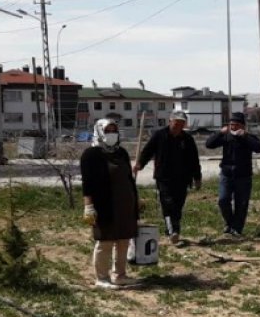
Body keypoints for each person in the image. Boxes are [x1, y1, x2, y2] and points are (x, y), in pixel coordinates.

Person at [80, 118, 141, 290]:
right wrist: (88, 206)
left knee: (123, 240)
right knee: (105, 241)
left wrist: (136, 200)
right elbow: (88, 183)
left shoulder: (121, 152)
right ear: (99, 132)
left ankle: (120, 275)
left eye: (114, 130)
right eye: (107, 131)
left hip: (125, 204)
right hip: (105, 205)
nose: (111, 134)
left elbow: (129, 178)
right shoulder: (91, 155)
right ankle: (102, 277)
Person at [134, 110, 202, 247]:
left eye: (182, 124)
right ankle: (173, 232)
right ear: (170, 121)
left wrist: (197, 177)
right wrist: (140, 164)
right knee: (167, 203)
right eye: (177, 123)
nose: (179, 126)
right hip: (163, 177)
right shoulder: (159, 135)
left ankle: (172, 228)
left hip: (183, 179)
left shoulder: (187, 139)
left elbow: (194, 160)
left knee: (178, 206)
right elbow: (148, 151)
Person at [205, 111, 260, 237]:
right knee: (223, 200)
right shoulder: (226, 137)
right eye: (231, 124)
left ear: (242, 126)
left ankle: (237, 229)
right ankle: (229, 223)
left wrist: (245, 136)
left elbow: (259, 148)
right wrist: (220, 132)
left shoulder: (249, 138)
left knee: (241, 204)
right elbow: (209, 144)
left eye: (236, 125)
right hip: (226, 175)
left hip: (244, 176)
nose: (233, 127)